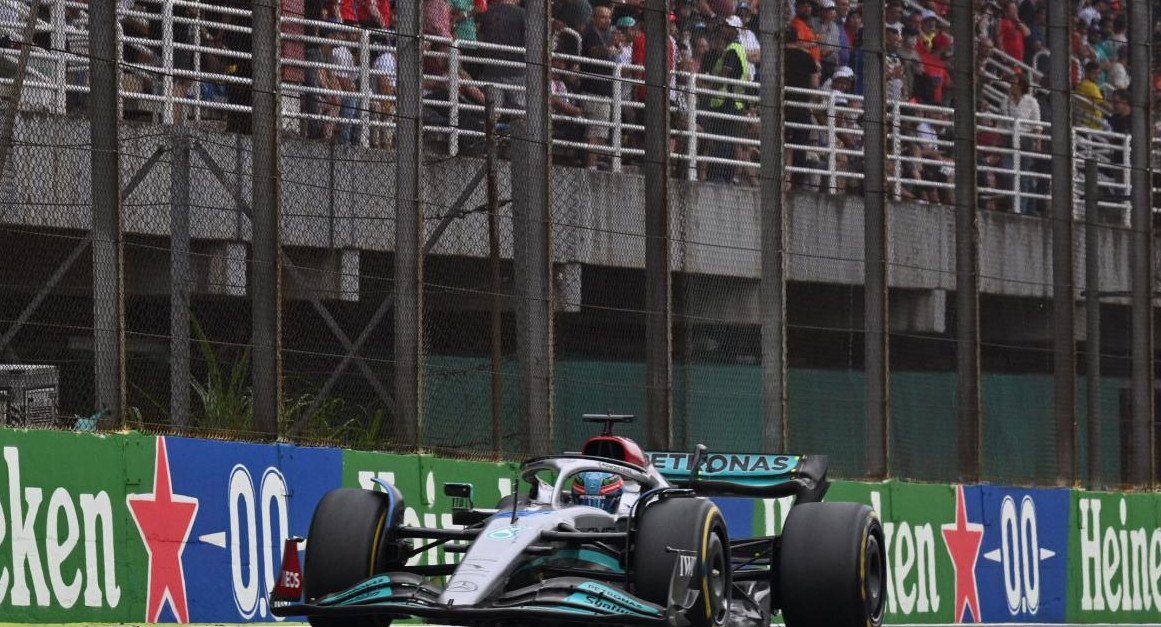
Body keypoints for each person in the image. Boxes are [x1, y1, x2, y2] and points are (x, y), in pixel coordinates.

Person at [704, 16, 751, 183]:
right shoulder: (741, 49)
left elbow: (724, 75)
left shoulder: (732, 50)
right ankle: (726, 176)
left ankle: (717, 176)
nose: (724, 29)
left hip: (725, 101)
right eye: (724, 25)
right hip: (736, 102)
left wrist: (709, 90)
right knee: (729, 141)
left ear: (734, 30)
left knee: (722, 140)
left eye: (727, 26)